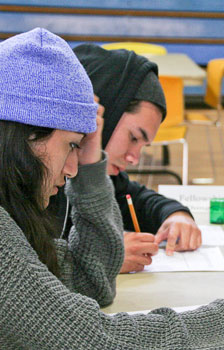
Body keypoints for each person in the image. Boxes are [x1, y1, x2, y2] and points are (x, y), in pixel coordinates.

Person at [0, 28, 224, 350]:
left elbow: (91, 281)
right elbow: (96, 342)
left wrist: (91, 164)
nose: (72, 168)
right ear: (26, 135)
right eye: (72, 145)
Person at [50, 44, 202, 273]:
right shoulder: (32, 170)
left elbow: (131, 196)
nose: (134, 158)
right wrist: (101, 258)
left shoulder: (91, 171)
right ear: (103, 112)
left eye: (143, 146)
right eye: (133, 137)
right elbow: (14, 266)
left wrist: (175, 214)